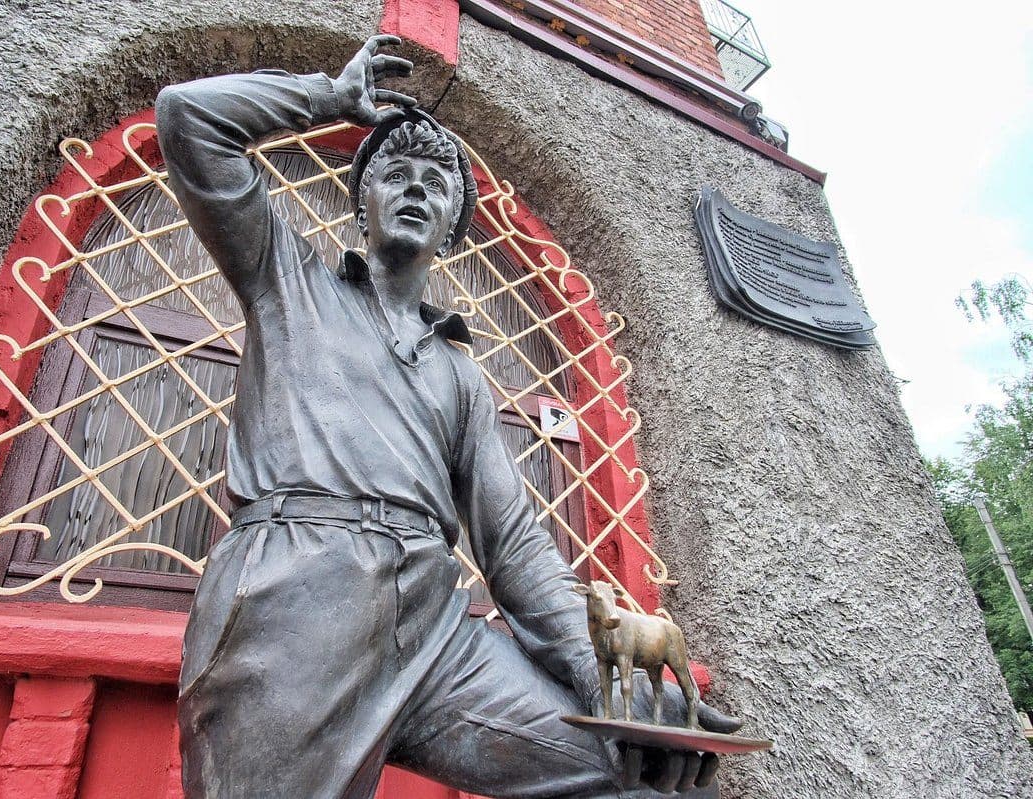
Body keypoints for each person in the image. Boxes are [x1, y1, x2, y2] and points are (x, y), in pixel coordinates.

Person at [156, 34, 736, 799]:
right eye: (394, 173)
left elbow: (516, 545)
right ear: (360, 205)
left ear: (455, 226)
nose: (416, 188)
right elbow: (187, 119)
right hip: (293, 606)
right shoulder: (287, 282)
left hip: (434, 631)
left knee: (645, 770)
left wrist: (601, 676)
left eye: (436, 181)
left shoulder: (459, 369)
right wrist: (329, 98)